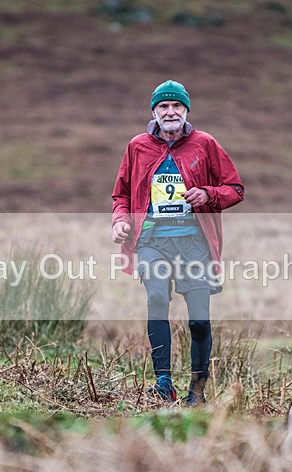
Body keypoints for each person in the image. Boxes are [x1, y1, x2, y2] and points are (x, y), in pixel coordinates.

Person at [111, 80, 244, 405]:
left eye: (177, 107)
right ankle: (163, 381)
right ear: (154, 112)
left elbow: (235, 188)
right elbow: (121, 194)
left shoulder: (205, 144)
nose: (170, 112)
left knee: (198, 319)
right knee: (157, 297)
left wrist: (208, 194)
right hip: (152, 241)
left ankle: (196, 392)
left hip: (194, 244)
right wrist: (120, 220)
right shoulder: (138, 146)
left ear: (186, 111)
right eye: (163, 107)